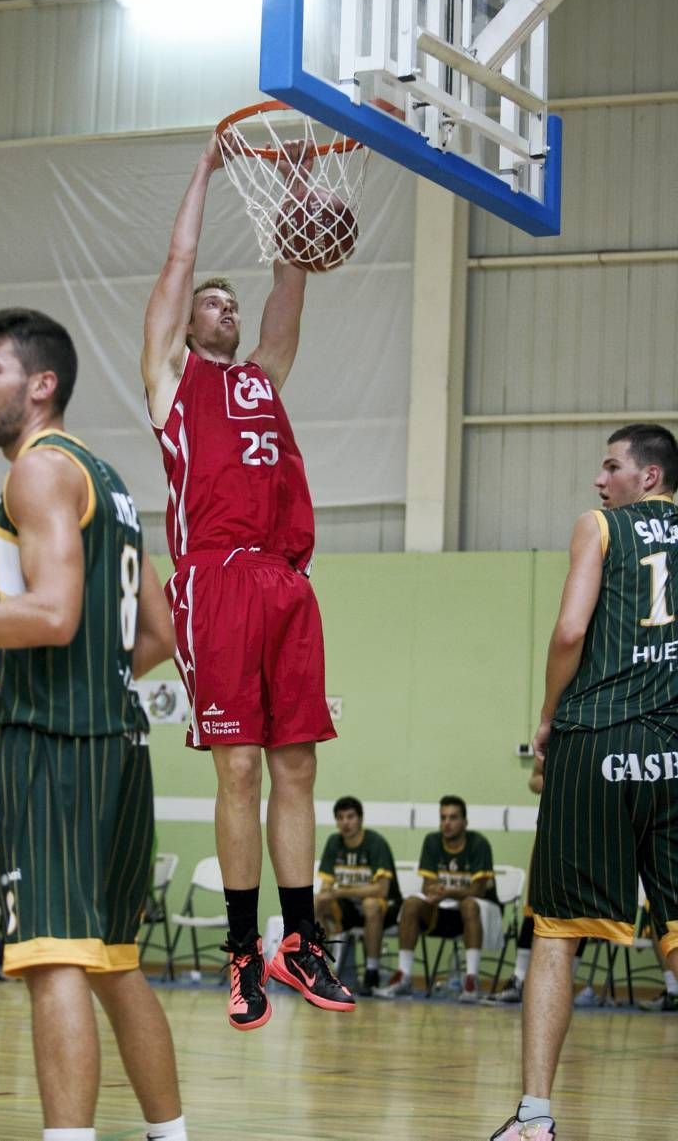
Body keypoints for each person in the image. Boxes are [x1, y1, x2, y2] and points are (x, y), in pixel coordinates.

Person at [0, 308, 187, 1141]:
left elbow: (54, 613)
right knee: (116, 966)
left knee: (53, 957)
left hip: (56, 751)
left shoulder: (38, 473)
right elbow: (156, 636)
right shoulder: (107, 480)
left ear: (40, 384)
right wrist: (39, 684)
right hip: (118, 744)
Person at [141, 134, 354, 1030]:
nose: (223, 308)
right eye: (210, 303)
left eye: (231, 302)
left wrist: (299, 190)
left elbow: (290, 289)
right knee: (237, 768)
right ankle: (239, 953)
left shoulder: (264, 377)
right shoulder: (169, 380)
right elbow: (180, 259)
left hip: (283, 582)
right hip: (215, 582)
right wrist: (205, 173)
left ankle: (296, 942)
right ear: (188, 323)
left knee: (296, 764)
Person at [490, 424, 678, 1141]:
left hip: (598, 740)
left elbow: (571, 630)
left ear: (649, 477)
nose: (600, 481)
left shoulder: (600, 526)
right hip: (673, 751)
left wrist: (547, 718)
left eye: (612, 466)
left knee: (557, 932)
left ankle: (535, 1117)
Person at [376, 795, 500, 1002]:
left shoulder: (479, 844)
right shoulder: (432, 841)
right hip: (442, 909)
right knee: (411, 903)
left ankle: (471, 980)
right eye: (443, 818)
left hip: (475, 912)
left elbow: (478, 890)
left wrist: (448, 891)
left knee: (469, 904)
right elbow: (427, 886)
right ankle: (404, 976)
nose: (447, 823)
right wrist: (440, 892)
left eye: (453, 818)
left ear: (465, 822)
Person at [315, 796, 401, 995]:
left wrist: (342, 891)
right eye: (340, 818)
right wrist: (325, 898)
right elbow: (327, 887)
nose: (345, 822)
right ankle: (320, 965)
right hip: (350, 908)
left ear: (360, 819)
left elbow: (381, 889)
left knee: (371, 904)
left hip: (385, 908)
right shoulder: (334, 842)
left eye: (350, 817)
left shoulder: (375, 842)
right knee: (318, 901)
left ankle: (372, 972)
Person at [494, 758, 544, 1004]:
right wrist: (558, 782)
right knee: (533, 908)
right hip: (551, 832)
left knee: (578, 912)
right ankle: (519, 978)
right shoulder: (558, 732)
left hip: (593, 832)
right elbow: (534, 781)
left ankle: (566, 980)